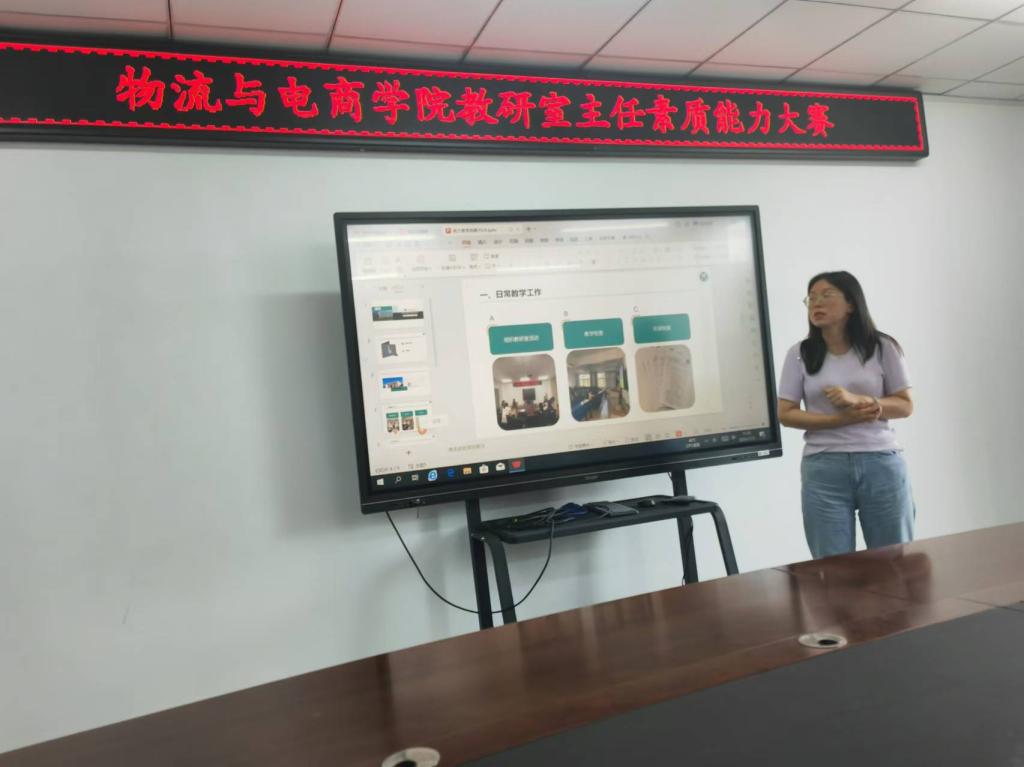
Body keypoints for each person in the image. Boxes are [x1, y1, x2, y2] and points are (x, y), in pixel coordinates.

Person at [777, 271, 915, 559]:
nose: (816, 302)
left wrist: (862, 401)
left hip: (880, 463)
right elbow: (786, 413)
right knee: (832, 568)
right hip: (824, 466)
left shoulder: (883, 347)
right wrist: (838, 421)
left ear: (851, 303)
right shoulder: (799, 354)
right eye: (811, 298)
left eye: (826, 295)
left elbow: (905, 405)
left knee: (894, 563)